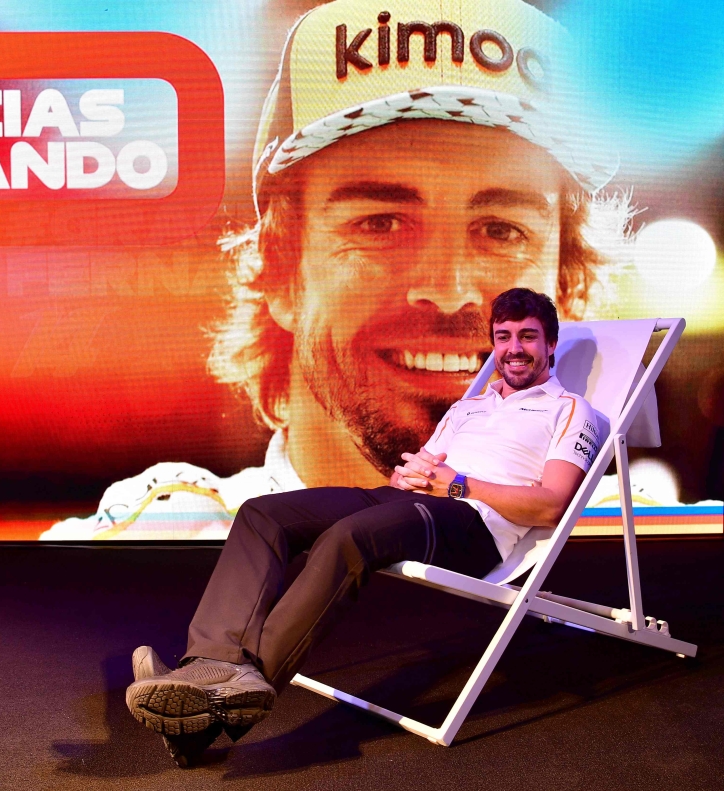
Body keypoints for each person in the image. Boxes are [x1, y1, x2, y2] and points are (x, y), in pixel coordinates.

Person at [39, 0, 628, 542]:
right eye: (380, 223)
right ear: (280, 272)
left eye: (502, 231)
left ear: (565, 289)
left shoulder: (635, 548)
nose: (448, 291)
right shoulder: (135, 553)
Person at [125, 287, 605, 765]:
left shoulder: (571, 411)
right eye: (504, 337)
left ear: (550, 345)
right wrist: (411, 475)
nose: (514, 349)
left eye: (528, 337)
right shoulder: (471, 404)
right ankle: (208, 666)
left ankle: (217, 695)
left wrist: (457, 485)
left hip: (472, 524)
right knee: (261, 514)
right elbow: (426, 463)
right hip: (410, 500)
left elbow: (551, 506)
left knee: (347, 540)